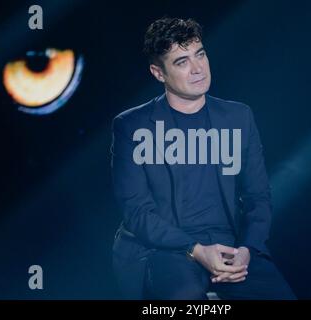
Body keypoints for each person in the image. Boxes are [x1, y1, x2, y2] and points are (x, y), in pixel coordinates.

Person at [111, 17, 296, 300]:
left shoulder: (238, 117)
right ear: (158, 73)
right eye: (182, 62)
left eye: (200, 55)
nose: (198, 69)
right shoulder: (132, 126)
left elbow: (258, 196)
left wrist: (247, 250)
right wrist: (196, 250)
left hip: (232, 246)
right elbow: (137, 212)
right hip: (167, 250)